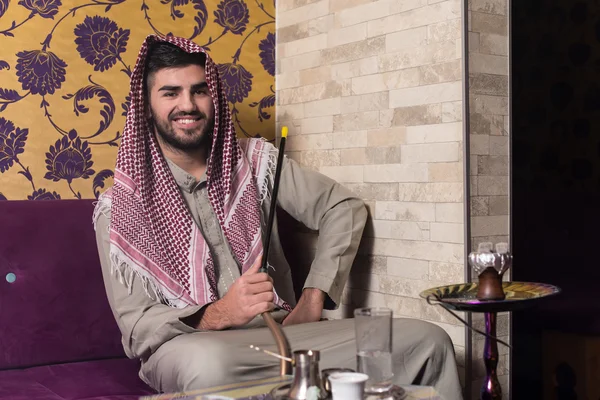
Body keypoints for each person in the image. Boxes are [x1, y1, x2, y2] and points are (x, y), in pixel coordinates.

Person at [93, 34, 463, 399]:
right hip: (194, 347)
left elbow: (343, 207)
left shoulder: (256, 162)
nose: (187, 104)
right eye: (171, 92)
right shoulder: (120, 207)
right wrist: (220, 313)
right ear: (146, 105)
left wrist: (313, 297)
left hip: (285, 334)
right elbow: (138, 328)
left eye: (199, 90)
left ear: (215, 97)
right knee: (210, 366)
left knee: (427, 341)